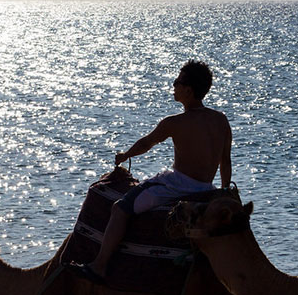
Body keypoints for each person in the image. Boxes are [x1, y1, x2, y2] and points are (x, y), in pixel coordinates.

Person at [72, 59, 232, 283]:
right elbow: (225, 163)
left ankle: (99, 265)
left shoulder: (174, 122)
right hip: (207, 188)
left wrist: (125, 155)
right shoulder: (221, 121)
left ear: (188, 89)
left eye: (177, 81)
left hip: (178, 184)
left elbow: (147, 144)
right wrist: (223, 192)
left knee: (120, 209)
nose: (173, 85)